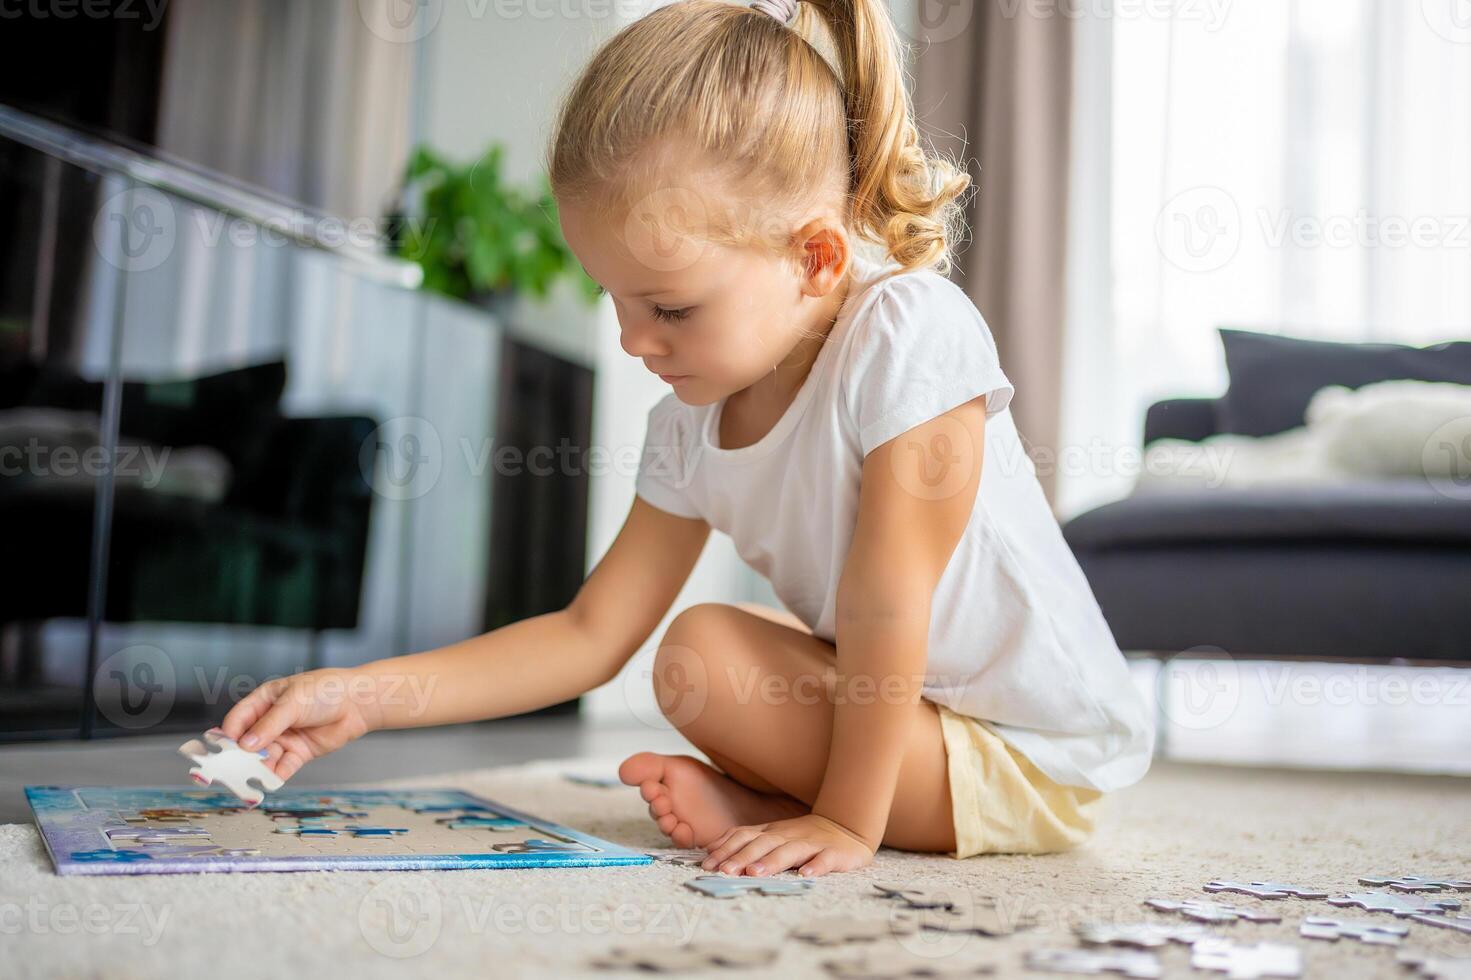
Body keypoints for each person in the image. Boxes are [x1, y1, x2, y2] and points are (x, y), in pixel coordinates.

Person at [221, 0, 1153, 880]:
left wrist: (843, 823)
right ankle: (768, 800)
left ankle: (802, 804)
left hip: (1029, 754)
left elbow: (885, 608)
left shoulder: (911, 332)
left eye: (669, 306)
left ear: (814, 257)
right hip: (904, 708)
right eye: (616, 300)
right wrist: (364, 697)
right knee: (700, 656)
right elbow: (588, 634)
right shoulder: (688, 426)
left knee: (719, 650)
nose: (633, 341)